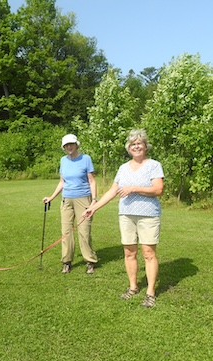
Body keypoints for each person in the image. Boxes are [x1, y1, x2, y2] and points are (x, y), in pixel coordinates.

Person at [82, 129, 164, 308]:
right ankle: (133, 287)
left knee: (149, 254)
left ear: (145, 146)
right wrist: (93, 208)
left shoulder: (154, 165)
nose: (136, 147)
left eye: (139, 143)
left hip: (148, 215)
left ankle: (150, 292)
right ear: (129, 148)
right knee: (129, 252)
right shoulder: (123, 168)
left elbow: (158, 189)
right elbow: (112, 191)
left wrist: (134, 188)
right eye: (133, 144)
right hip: (126, 215)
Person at [43, 134, 98, 274]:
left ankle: (90, 261)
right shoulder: (63, 160)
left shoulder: (86, 159)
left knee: (84, 231)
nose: (69, 147)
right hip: (66, 199)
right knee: (66, 232)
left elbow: (92, 181)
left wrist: (94, 200)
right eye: (66, 145)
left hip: (83, 198)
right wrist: (51, 197)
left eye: (71, 144)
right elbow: (62, 182)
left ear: (76, 144)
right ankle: (66, 262)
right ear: (64, 147)